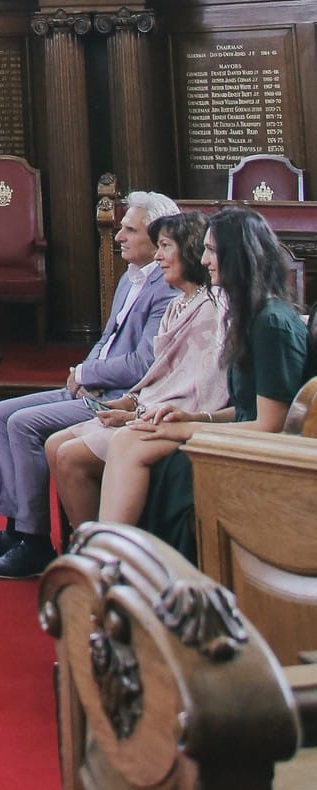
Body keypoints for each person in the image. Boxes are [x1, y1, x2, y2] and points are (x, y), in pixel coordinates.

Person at [0, 189, 177, 580]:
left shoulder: (166, 287)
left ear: (160, 238)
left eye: (130, 229)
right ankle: (13, 529)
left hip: (118, 399)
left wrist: (88, 375)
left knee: (23, 423)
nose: (119, 237)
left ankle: (35, 541)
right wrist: (83, 368)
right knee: (1, 411)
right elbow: (108, 338)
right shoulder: (130, 278)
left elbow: (145, 363)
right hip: (91, 385)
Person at [130, 206, 317, 557]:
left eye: (212, 250)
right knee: (154, 454)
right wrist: (195, 419)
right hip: (241, 443)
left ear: (240, 254)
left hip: (265, 458)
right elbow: (247, 408)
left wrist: (187, 433)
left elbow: (271, 425)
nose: (203, 259)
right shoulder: (252, 316)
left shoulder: (271, 324)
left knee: (168, 469)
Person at [48, 212, 228, 533]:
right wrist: (130, 401)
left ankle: (103, 554)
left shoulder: (211, 308)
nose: (158, 256)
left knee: (70, 455)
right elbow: (160, 373)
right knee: (54, 444)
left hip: (174, 416)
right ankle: (83, 545)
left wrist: (135, 414)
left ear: (188, 250)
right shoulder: (178, 305)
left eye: (165, 246)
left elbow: (196, 388)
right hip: (146, 407)